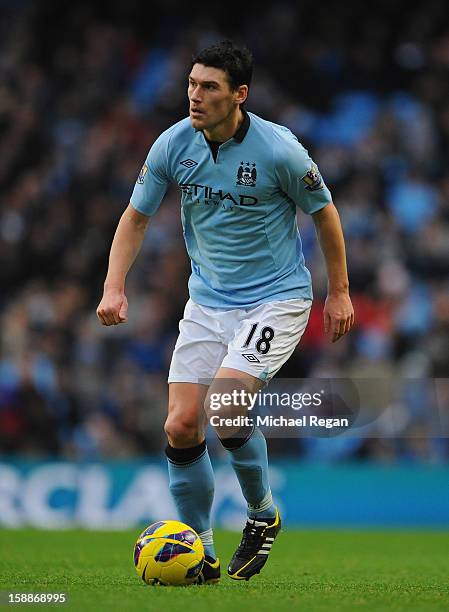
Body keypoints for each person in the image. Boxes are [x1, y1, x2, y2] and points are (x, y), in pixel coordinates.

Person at [96, 40, 354, 583]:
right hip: (207, 301)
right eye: (191, 84)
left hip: (276, 299)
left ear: (239, 95)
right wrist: (114, 286)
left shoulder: (279, 150)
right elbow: (136, 217)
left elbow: (325, 214)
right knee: (182, 424)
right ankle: (202, 552)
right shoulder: (173, 144)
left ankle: (262, 513)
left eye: (209, 87)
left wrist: (340, 293)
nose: (195, 95)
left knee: (227, 405)